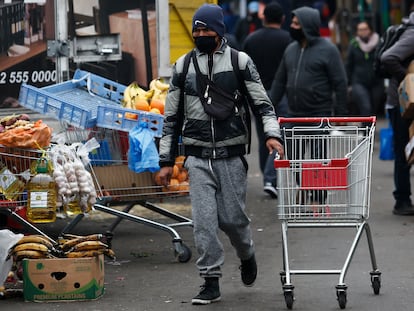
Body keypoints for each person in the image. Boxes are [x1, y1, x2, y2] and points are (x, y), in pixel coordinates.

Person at [157, 3, 284, 305]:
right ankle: (210, 280)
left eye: (206, 29)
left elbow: (263, 104)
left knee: (232, 220)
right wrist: (165, 160)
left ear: (220, 30)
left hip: (231, 156)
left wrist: (272, 135)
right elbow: (171, 119)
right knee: (203, 221)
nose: (201, 34)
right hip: (197, 158)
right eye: (197, 29)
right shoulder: (183, 66)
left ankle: (247, 253)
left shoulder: (240, 62)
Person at [269, 6, 348, 204]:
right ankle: (304, 186)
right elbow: (279, 82)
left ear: (308, 26)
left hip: (319, 114)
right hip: (293, 115)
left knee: (318, 159)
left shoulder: (328, 50)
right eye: (293, 23)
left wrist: (340, 114)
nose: (292, 27)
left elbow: (340, 83)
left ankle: (318, 198)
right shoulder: (291, 49)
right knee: (294, 160)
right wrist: (268, 107)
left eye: (296, 24)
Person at [243, 2, 291, 198]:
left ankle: (267, 177)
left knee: (264, 136)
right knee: (281, 135)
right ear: (282, 19)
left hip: (257, 95)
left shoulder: (251, 40)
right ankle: (271, 178)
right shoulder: (288, 40)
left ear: (264, 18)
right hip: (281, 94)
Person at [381, 12, 414, 215]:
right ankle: (401, 200)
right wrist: (409, 81)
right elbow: (388, 58)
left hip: (406, 103)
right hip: (402, 104)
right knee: (404, 150)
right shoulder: (412, 34)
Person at [346, 21, 384, 119]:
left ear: (370, 30)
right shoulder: (353, 45)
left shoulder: (379, 43)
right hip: (359, 82)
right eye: (360, 30)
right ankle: (365, 130)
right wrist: (348, 83)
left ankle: (370, 131)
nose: (363, 32)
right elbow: (348, 65)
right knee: (365, 106)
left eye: (365, 29)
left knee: (373, 108)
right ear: (357, 32)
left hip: (377, 81)